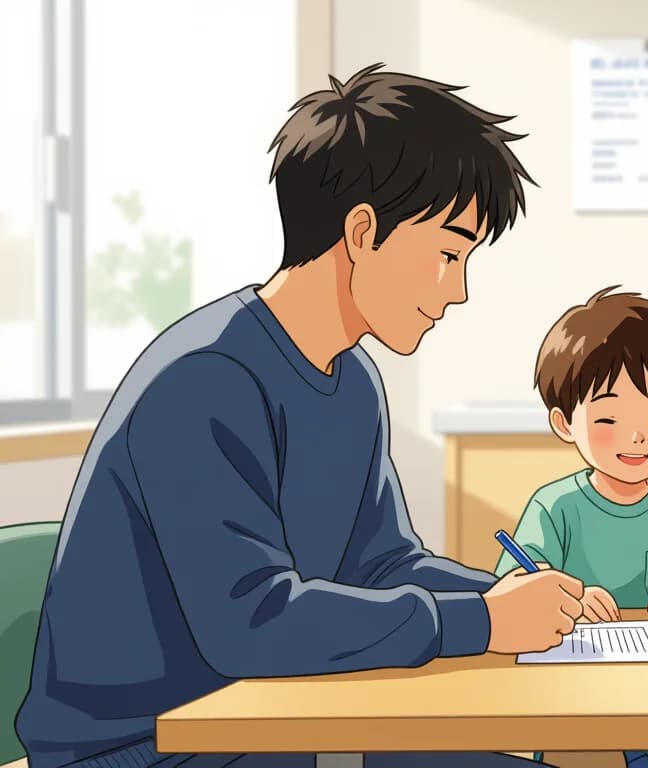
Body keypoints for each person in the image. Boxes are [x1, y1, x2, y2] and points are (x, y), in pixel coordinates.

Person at [16, 63, 581, 768]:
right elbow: (251, 623)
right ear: (362, 231)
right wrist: (485, 620)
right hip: (148, 747)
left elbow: (382, 564)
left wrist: (504, 595)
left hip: (267, 722)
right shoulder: (206, 378)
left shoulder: (353, 381)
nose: (458, 290)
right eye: (446, 253)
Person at [498, 287, 648, 768]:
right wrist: (568, 597)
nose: (637, 437)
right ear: (564, 422)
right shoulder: (555, 506)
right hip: (577, 697)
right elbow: (515, 581)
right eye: (609, 417)